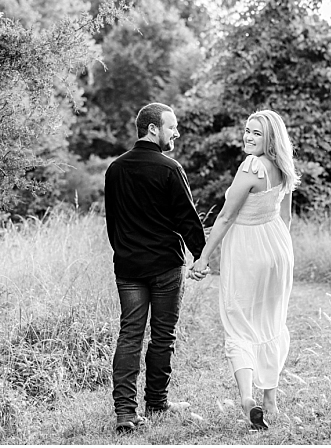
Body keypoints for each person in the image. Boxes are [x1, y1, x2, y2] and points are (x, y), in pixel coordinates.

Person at [104, 102, 210, 433]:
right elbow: (186, 217)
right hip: (164, 266)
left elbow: (113, 222)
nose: (176, 132)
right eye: (172, 126)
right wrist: (200, 254)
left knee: (130, 334)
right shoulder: (169, 168)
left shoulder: (115, 169)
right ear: (154, 129)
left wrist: (124, 252)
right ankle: (156, 403)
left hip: (129, 268)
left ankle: (125, 412)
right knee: (162, 335)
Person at [192, 109, 300, 431]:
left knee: (239, 323)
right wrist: (276, 253)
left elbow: (225, 218)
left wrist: (203, 258)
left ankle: (246, 400)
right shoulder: (284, 167)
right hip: (278, 248)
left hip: (248, 249)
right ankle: (271, 399)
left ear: (269, 138)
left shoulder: (251, 168)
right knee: (271, 321)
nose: (247, 137)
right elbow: (288, 218)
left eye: (256, 133)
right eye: (247, 130)